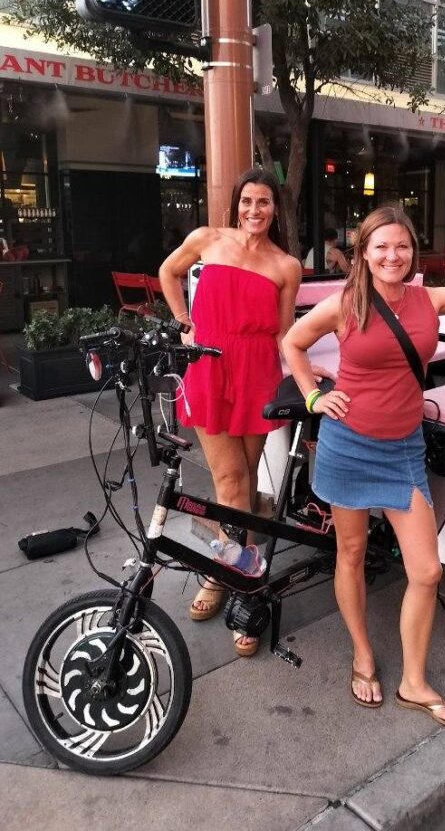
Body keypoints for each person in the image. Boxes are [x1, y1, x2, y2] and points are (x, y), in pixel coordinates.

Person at [282, 205, 445, 727]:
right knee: (350, 551)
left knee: (427, 570)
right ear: (363, 253)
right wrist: (314, 396)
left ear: (414, 252)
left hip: (403, 450)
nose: (393, 256)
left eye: (402, 246)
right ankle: (363, 654)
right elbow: (292, 342)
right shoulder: (345, 304)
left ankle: (414, 681)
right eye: (381, 247)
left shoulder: (428, 299)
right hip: (348, 445)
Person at [159, 167, 322, 657]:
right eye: (247, 201)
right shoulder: (206, 239)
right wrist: (184, 324)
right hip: (209, 367)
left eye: (264, 203)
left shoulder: (286, 265)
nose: (255, 210)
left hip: (256, 375)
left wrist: (304, 382)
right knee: (230, 482)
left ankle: (239, 565)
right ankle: (231, 579)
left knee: (246, 484)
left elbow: (283, 333)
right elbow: (168, 273)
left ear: (276, 209)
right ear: (236, 204)